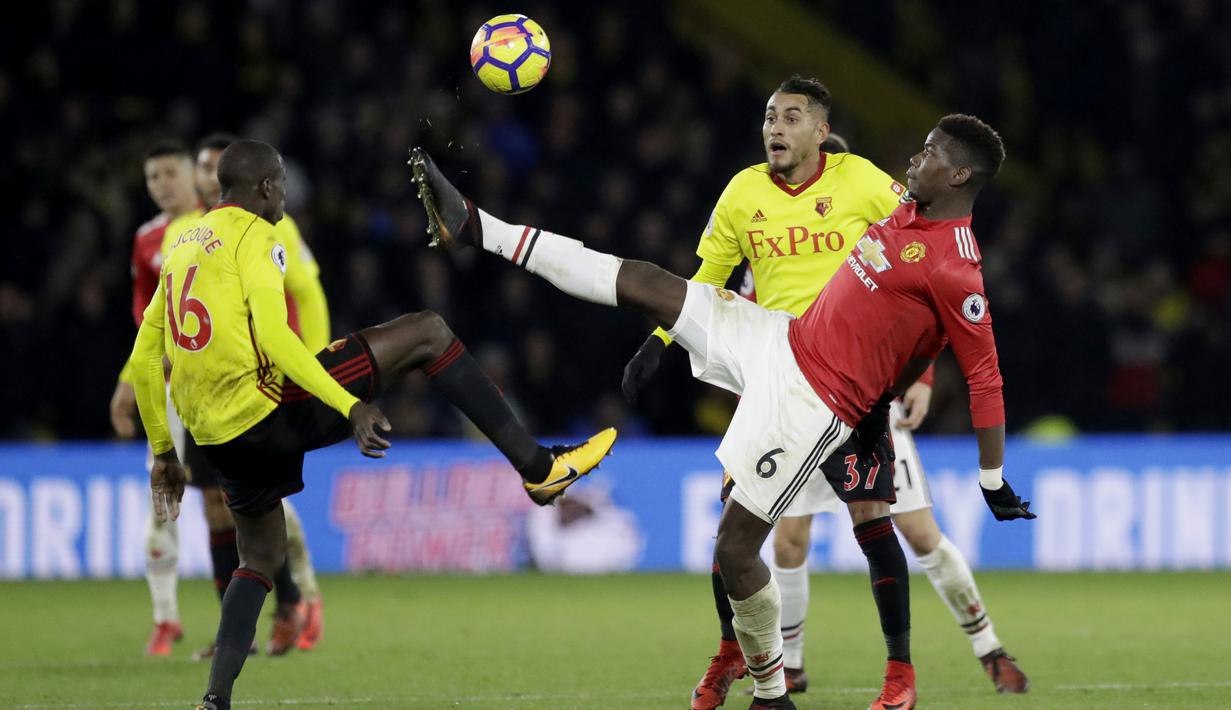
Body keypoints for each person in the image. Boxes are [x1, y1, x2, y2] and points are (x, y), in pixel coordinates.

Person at [410, 112, 1036, 710]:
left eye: (929, 154)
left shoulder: (958, 270)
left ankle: (773, 690)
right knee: (646, 282)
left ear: (959, 176)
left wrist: (991, 476)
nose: (914, 159)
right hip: (776, 338)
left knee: (739, 547)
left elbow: (984, 374)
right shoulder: (904, 207)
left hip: (812, 402)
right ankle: (476, 227)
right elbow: (850, 198)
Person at [128, 140, 615, 710]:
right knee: (429, 331)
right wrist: (347, 405)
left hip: (216, 438)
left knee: (257, 558)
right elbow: (276, 333)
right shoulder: (257, 235)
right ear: (263, 188)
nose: (285, 194)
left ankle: (215, 699)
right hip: (272, 409)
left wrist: (164, 452)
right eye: (280, 183)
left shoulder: (181, 242)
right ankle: (539, 467)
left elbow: (143, 359)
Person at [621, 77, 1027, 706]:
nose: (776, 128)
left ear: (820, 133)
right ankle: (756, 660)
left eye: (792, 118)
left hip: (858, 389)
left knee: (890, 525)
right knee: (753, 532)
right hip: (776, 377)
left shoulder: (863, 182)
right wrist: (661, 338)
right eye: (769, 117)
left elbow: (929, 264)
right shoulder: (743, 193)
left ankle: (911, 670)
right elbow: (706, 278)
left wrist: (917, 375)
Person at [166, 133, 330, 657]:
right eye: (203, 167)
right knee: (217, 510)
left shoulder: (276, 228)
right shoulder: (185, 235)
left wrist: (317, 360)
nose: (205, 176)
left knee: (260, 508)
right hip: (203, 390)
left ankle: (290, 603)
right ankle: (234, 631)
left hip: (261, 381)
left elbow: (307, 291)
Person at [109, 140, 200, 656]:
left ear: (190, 175)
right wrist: (129, 380)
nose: (161, 184)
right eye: (152, 177)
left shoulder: (218, 225)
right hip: (167, 388)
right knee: (162, 497)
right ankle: (166, 616)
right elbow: (147, 322)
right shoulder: (146, 240)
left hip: (221, 383)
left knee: (243, 493)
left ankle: (288, 596)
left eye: (169, 173)